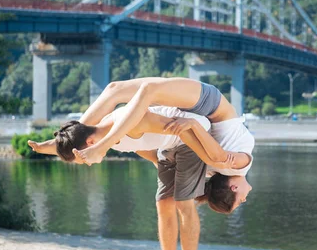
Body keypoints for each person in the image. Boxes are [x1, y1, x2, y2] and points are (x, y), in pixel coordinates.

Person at [29, 105, 232, 250]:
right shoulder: (103, 137)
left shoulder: (129, 123)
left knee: (183, 202)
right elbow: (138, 147)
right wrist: (41, 147)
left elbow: (180, 130)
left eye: (84, 159)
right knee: (163, 202)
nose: (88, 164)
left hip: (190, 134)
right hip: (167, 146)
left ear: (90, 144)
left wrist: (207, 157)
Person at [72, 77, 254, 213]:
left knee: (116, 90)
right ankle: (73, 140)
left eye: (240, 201)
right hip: (208, 107)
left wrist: (142, 148)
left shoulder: (230, 169)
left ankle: (69, 140)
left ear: (234, 188)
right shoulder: (235, 165)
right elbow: (220, 157)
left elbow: (153, 155)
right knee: (124, 90)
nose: (245, 200)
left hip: (199, 110)